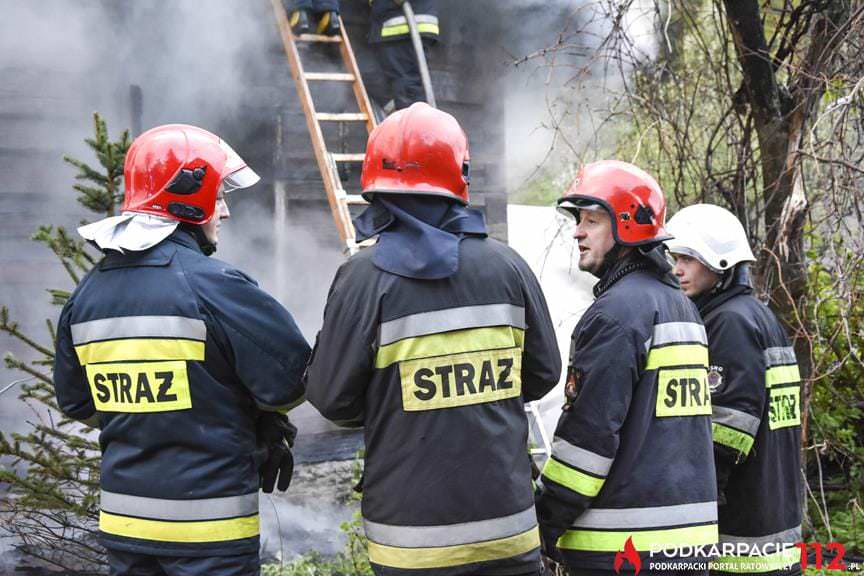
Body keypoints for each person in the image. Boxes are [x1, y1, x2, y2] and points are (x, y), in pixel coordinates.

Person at [304, 102, 561, 576]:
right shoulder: (508, 268)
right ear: (458, 179)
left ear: (376, 186)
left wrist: (392, 402)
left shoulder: (361, 279)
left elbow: (331, 398)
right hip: (509, 531)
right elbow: (543, 375)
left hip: (410, 543)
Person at [52, 124, 310, 576]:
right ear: (190, 199)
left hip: (126, 531)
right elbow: (290, 385)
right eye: (220, 197)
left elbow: (78, 402)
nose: (224, 213)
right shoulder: (217, 287)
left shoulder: (87, 295)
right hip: (209, 534)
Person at [535, 161, 718, 575]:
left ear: (626, 227)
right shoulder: (682, 307)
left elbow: (587, 443)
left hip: (622, 549)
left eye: (592, 220)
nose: (578, 231)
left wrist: (543, 522)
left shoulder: (616, 314)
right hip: (688, 547)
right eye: (578, 220)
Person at [666, 204, 803, 575]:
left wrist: (690, 506)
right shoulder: (759, 315)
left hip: (740, 538)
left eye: (688, 259)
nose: (677, 269)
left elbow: (726, 430)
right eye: (674, 257)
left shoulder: (729, 323)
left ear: (720, 263)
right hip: (776, 526)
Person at [368, 0, 439, 111]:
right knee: (414, 84)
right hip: (408, 22)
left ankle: (411, 124)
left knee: (408, 88)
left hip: (401, 25)